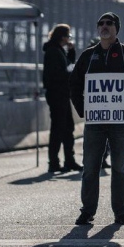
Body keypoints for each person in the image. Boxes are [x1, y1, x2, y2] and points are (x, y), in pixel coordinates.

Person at [69, 12, 124, 226]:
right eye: (101, 23)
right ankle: (87, 211)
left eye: (109, 23)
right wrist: (83, 110)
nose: (104, 26)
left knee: (119, 168)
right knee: (90, 168)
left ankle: (120, 212)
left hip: (121, 122)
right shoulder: (87, 56)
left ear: (116, 28)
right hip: (94, 123)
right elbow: (74, 84)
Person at [43, 24, 82, 173]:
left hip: (62, 94)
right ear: (62, 37)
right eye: (68, 36)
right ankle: (54, 162)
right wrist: (70, 73)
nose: (69, 39)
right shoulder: (53, 52)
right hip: (57, 94)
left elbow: (68, 65)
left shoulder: (58, 50)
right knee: (58, 129)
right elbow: (59, 73)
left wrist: (71, 51)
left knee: (67, 128)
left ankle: (69, 160)